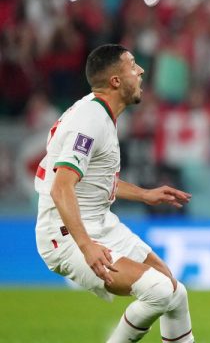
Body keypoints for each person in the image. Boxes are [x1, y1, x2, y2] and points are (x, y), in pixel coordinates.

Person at [34, 44, 194, 343]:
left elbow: (93, 180)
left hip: (100, 223)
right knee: (158, 292)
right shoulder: (90, 121)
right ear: (116, 81)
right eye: (133, 65)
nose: (141, 71)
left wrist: (144, 195)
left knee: (174, 291)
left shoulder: (98, 113)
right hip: (66, 234)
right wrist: (86, 246)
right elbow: (61, 186)